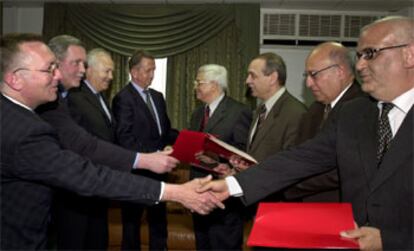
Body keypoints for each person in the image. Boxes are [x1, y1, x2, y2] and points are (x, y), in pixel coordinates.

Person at [199, 16, 413, 251]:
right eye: (359, 55)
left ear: (409, 54)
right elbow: (302, 157)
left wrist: (390, 241)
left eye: (370, 53)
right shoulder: (355, 113)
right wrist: (234, 184)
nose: (360, 65)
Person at [0, 33, 224, 250]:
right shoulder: (25, 132)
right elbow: (86, 174)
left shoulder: (28, 113)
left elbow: (86, 144)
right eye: (49, 69)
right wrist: (175, 192)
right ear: (15, 79)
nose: (57, 75)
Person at [36, 35, 176, 175]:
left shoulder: (100, 96)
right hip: (87, 172)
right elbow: (83, 143)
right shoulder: (71, 98)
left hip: (106, 170)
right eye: (107, 71)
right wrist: (144, 159)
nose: (111, 77)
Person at [112, 49, 178, 250]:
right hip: (136, 173)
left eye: (154, 70)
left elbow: (165, 131)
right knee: (131, 224)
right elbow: (125, 138)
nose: (152, 75)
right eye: (148, 70)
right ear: (134, 72)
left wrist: (185, 139)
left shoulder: (157, 97)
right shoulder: (123, 98)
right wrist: (154, 155)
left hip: (160, 173)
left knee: (159, 222)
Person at [283, 42, 365, 202]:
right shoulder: (315, 109)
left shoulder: (363, 109)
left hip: (341, 212)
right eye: (306, 76)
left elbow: (341, 171)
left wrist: (284, 185)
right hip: (307, 207)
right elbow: (299, 154)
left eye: (314, 74)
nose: (308, 83)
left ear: (340, 72)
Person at [53, 48, 116, 249]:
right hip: (78, 188)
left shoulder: (102, 98)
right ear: (90, 70)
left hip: (99, 182)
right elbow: (78, 143)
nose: (111, 77)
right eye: (106, 71)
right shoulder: (74, 97)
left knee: (97, 238)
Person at [190, 64, 252, 250]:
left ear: (215, 85)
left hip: (224, 195)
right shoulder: (197, 113)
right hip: (198, 192)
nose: (195, 86)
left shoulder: (239, 111)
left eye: (199, 82)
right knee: (203, 244)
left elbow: (242, 152)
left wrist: (216, 159)